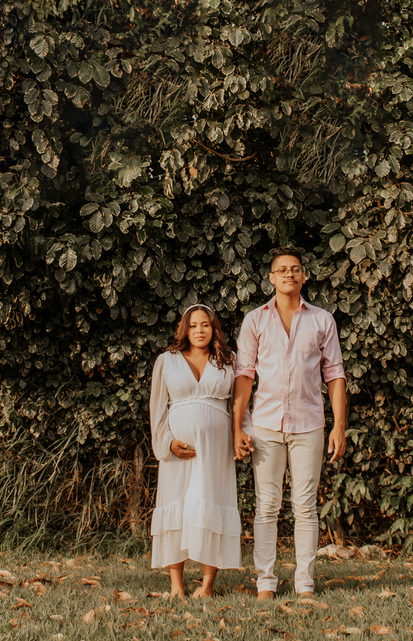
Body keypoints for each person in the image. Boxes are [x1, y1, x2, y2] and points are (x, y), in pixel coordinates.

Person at [232, 246, 348, 599]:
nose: (289, 274)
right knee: (266, 506)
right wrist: (237, 427)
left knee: (305, 507)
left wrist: (339, 426)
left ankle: (304, 583)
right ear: (271, 277)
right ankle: (265, 582)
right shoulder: (255, 320)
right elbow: (244, 375)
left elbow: (335, 374)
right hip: (265, 424)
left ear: (304, 275)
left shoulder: (322, 320)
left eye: (295, 269)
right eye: (282, 270)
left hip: (309, 423)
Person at [149, 303, 243, 597]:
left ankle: (207, 585)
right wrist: (167, 443)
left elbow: (238, 404)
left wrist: (241, 435)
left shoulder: (229, 360)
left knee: (212, 503)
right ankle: (176, 586)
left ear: (214, 328)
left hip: (215, 450)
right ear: (184, 329)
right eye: (193, 325)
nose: (199, 330)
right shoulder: (167, 361)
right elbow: (157, 408)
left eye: (205, 325)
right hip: (178, 449)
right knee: (176, 506)